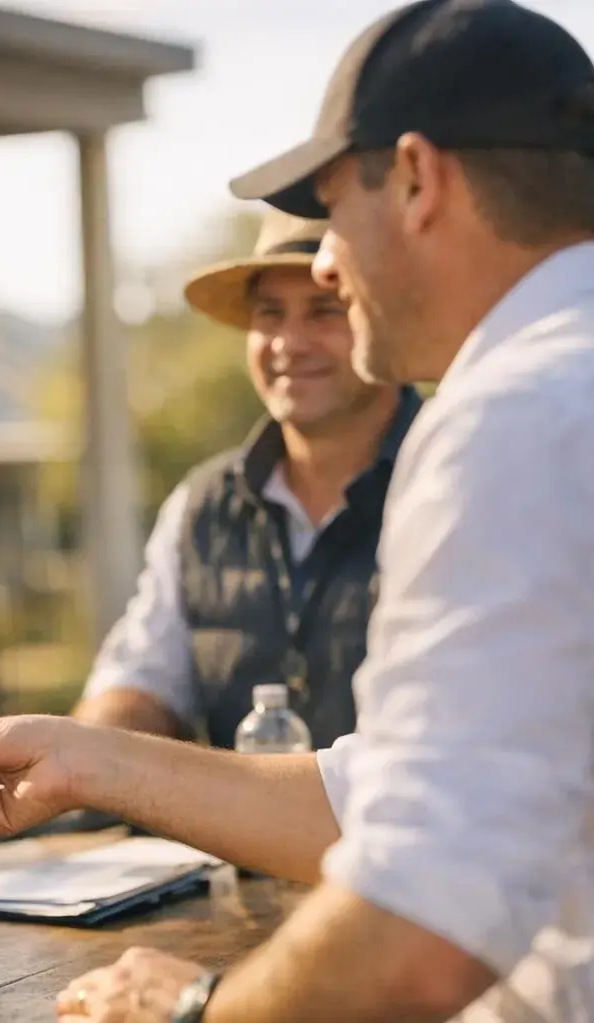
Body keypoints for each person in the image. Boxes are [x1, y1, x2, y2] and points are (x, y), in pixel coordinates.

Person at [0, 1, 594, 1020]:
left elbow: (421, 920)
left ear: (418, 179)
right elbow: (414, 792)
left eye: (332, 206)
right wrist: (92, 755)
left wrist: (197, 1011)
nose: (322, 262)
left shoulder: (515, 416)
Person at [75, 211, 420, 749]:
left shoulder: (460, 475)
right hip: (233, 838)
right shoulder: (201, 504)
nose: (289, 342)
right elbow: (141, 680)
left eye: (324, 311)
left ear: (382, 321)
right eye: (270, 314)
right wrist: (89, 750)